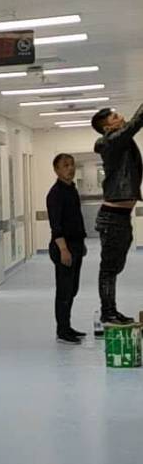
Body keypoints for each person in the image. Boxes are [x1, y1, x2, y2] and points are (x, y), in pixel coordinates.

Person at [91, 104, 143, 324]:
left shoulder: (118, 141)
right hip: (112, 218)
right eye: (114, 117)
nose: (120, 117)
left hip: (120, 217)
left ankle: (110, 310)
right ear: (107, 127)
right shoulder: (112, 141)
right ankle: (108, 312)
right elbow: (135, 123)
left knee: (115, 267)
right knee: (109, 269)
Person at [46, 153, 86, 342]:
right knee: (64, 291)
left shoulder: (72, 190)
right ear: (56, 170)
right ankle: (62, 330)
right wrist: (64, 249)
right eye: (65, 165)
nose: (70, 168)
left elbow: (76, 219)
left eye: (72, 164)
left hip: (76, 245)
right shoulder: (55, 194)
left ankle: (67, 326)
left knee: (72, 289)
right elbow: (56, 226)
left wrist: (81, 244)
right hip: (63, 247)